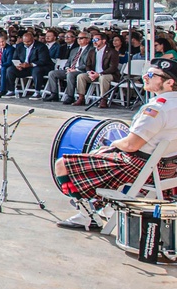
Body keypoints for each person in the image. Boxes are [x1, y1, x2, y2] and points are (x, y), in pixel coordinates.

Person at [54, 58, 177, 231]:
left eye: (151, 74)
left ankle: (87, 216)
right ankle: (106, 207)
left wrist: (112, 144)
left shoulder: (158, 108)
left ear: (169, 82)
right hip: (167, 168)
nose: (145, 77)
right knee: (103, 156)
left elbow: (131, 145)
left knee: (62, 165)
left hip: (139, 166)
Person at [74, 31, 119, 108]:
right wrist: (89, 73)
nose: (94, 42)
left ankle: (103, 99)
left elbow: (113, 67)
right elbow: (88, 65)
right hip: (94, 74)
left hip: (108, 74)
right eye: (93, 40)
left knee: (103, 77)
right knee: (81, 76)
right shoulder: (92, 51)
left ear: (104, 41)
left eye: (96, 40)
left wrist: (99, 74)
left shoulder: (112, 52)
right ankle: (81, 98)